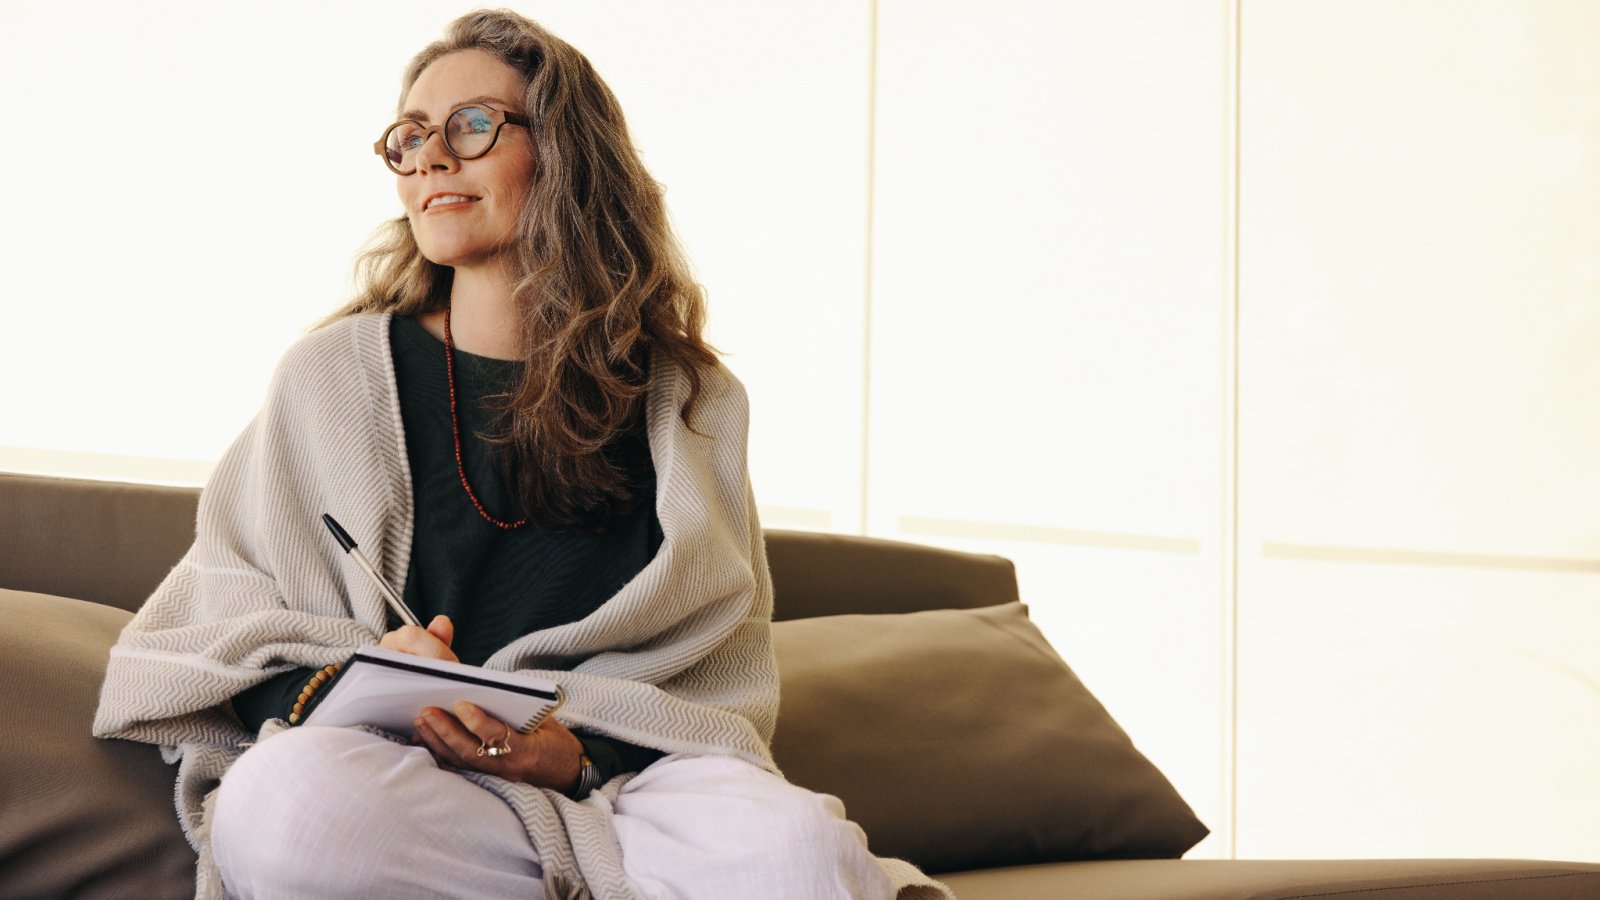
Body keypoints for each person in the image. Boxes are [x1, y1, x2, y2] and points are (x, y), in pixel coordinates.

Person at [92, 10, 950, 900]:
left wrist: (574, 751)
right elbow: (224, 629)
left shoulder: (690, 402)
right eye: (410, 136)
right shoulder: (330, 380)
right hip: (407, 782)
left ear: (566, 153)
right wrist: (361, 674)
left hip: (631, 793)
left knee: (797, 847)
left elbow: (710, 681)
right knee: (286, 805)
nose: (429, 158)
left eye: (470, 126)